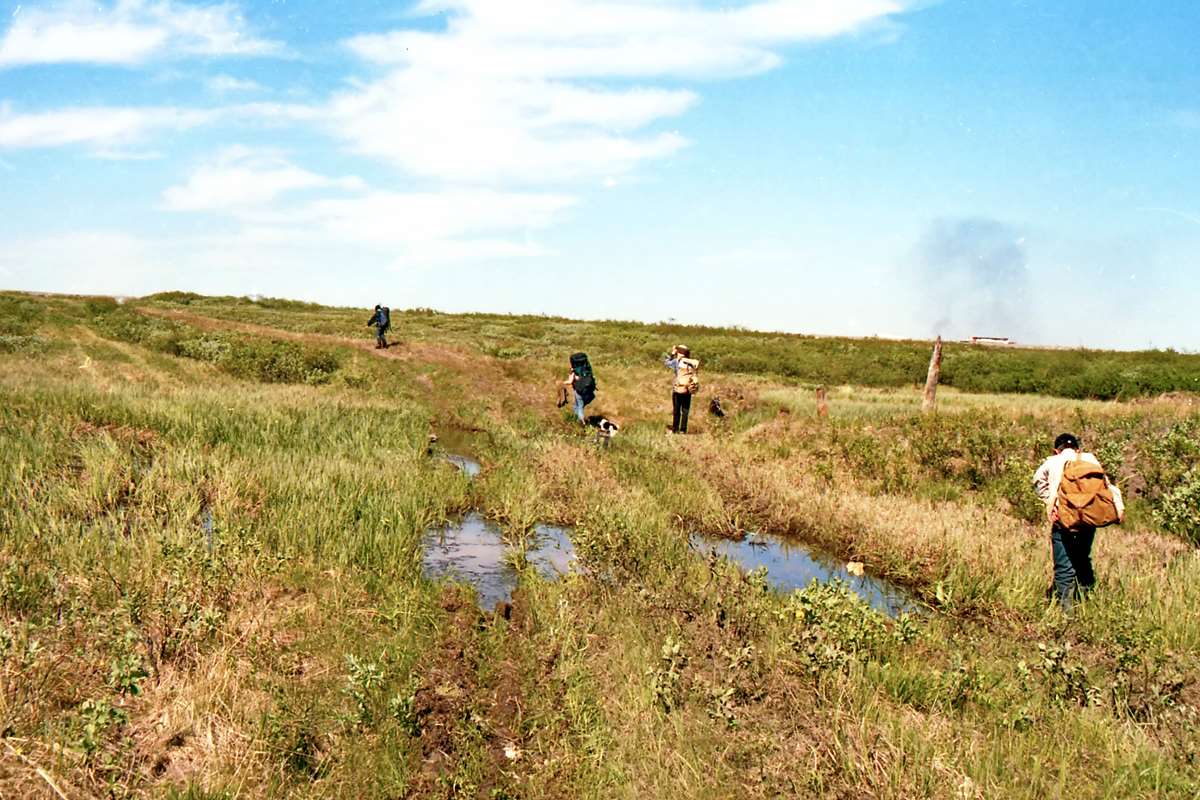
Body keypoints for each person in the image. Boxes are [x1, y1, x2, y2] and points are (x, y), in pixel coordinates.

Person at [1032, 432, 1124, 610]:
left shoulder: (1052, 461)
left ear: (1056, 450)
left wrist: (1051, 501)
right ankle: (1087, 600)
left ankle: (1067, 612)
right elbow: (1106, 485)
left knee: (1063, 565)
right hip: (1088, 519)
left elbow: (1037, 481)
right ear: (1077, 449)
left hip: (1063, 520)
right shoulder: (1090, 459)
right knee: (1082, 558)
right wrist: (1118, 509)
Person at [663, 344, 699, 434]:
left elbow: (666, 362)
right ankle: (683, 430)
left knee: (676, 410)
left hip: (678, 389)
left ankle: (675, 429)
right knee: (685, 411)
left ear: (678, 352)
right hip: (688, 389)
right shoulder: (691, 363)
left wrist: (672, 354)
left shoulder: (677, 362)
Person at [562, 352, 596, 424]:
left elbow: (570, 381)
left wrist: (561, 383)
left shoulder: (574, 371)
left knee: (579, 406)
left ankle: (581, 421)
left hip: (579, 391)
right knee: (577, 406)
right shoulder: (587, 369)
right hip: (589, 392)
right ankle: (576, 419)